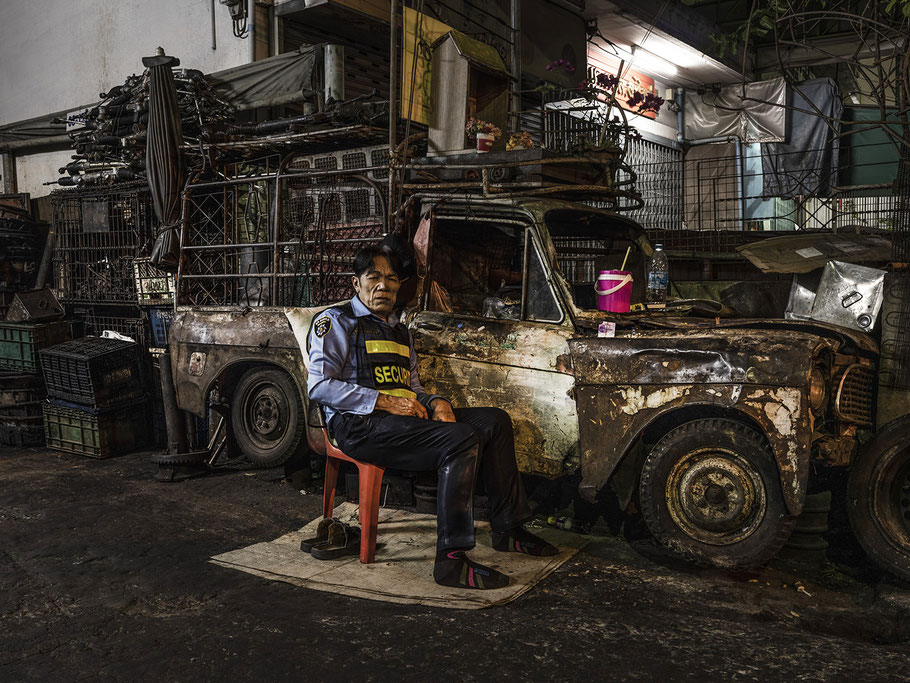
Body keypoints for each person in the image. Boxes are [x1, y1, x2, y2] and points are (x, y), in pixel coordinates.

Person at [307, 244, 557, 590]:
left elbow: (412, 387)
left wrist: (438, 402)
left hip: (403, 422)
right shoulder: (336, 322)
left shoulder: (399, 332)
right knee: (461, 439)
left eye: (392, 279)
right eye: (374, 277)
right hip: (358, 427)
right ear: (356, 283)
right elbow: (319, 387)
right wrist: (384, 402)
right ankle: (451, 561)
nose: (384, 286)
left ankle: (507, 528)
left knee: (494, 422)